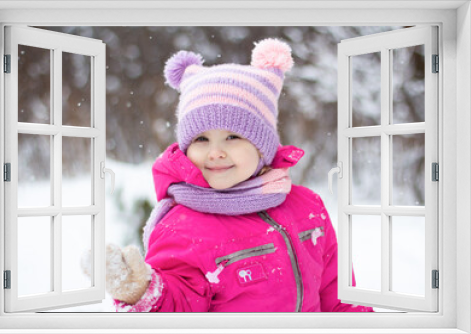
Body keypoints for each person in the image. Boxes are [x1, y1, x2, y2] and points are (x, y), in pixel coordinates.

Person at [93, 38, 374, 312]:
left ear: (262, 145)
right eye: (201, 139)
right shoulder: (183, 227)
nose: (215, 152)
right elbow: (178, 307)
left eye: (232, 136)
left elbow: (339, 297)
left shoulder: (307, 207)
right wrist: (144, 293)